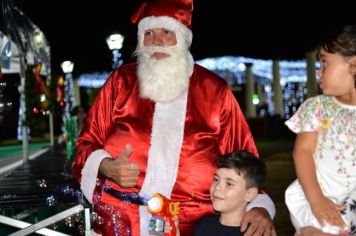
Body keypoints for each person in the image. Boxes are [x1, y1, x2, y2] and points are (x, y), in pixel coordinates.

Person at [72, 0, 276, 235]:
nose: (156, 41)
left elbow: (246, 159)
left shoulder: (215, 90)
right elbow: (85, 145)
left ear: (184, 38)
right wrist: (106, 166)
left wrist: (259, 206)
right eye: (148, 33)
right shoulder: (120, 82)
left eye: (167, 33)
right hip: (120, 224)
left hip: (194, 228)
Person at [285, 24, 356, 236]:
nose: (319, 71)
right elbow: (303, 151)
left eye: (325, 63)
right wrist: (316, 199)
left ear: (353, 65)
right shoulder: (317, 107)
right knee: (317, 220)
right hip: (320, 194)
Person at [193, 150, 267, 236]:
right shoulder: (205, 225)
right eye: (216, 179)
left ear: (249, 194)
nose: (217, 187)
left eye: (229, 184)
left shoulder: (255, 233)